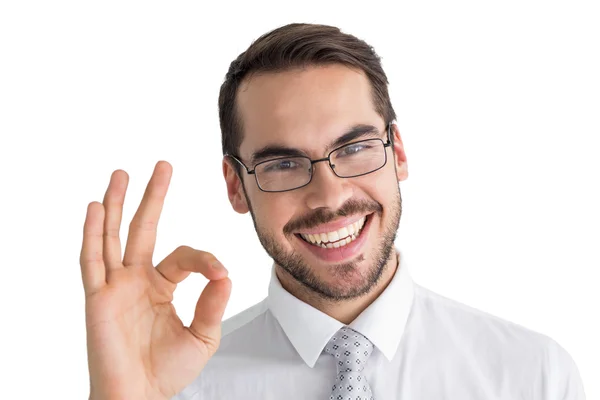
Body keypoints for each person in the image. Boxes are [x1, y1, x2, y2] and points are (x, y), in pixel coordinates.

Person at [79, 23, 586, 399]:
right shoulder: (175, 387)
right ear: (236, 186)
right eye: (282, 163)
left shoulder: (533, 376)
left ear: (399, 152)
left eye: (356, 147)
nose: (328, 195)